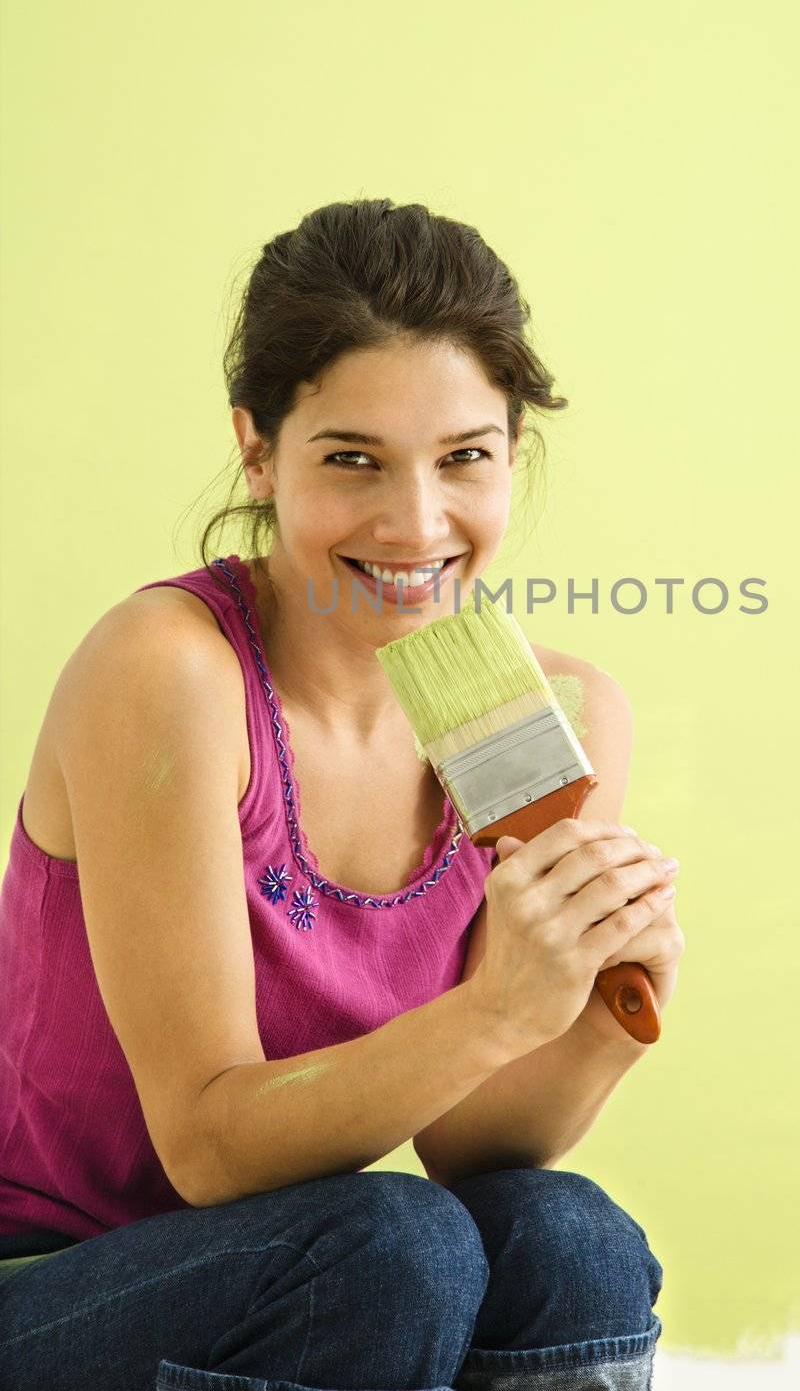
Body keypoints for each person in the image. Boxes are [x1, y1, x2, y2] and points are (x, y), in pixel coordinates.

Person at [0, 198, 684, 1390]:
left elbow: (469, 1144)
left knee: (564, 1233)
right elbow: (208, 1146)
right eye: (351, 459)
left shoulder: (544, 717)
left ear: (509, 455)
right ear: (258, 451)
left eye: (463, 456)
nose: (414, 524)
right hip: (51, 1279)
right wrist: (491, 1013)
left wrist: (586, 1022)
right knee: (389, 1241)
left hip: (319, 1274)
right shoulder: (170, 673)